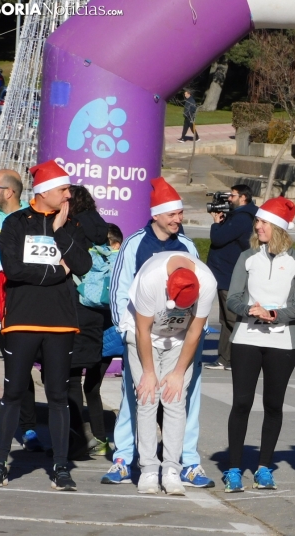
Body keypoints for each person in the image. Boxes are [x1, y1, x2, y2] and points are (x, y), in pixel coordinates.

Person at [102, 177, 214, 488]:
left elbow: (197, 298)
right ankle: (125, 457)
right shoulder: (136, 243)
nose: (178, 218)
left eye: (180, 213)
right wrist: (125, 330)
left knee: (183, 397)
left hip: (181, 335)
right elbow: (120, 289)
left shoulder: (188, 246)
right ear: (156, 215)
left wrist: (196, 335)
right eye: (172, 213)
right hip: (140, 330)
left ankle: (187, 461)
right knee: (138, 396)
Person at [0, 160, 92, 491]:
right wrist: (57, 273)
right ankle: (0, 464)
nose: (68, 195)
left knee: (58, 394)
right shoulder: (16, 223)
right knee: (14, 392)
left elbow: (84, 265)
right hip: (22, 320)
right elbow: (14, 270)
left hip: (60, 323)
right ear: (45, 192)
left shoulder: (69, 225)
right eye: (63, 190)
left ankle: (61, 468)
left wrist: (60, 232)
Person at [221, 197, 295, 492]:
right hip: (246, 339)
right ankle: (233, 469)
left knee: (273, 405)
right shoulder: (247, 257)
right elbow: (232, 298)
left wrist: (273, 314)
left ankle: (263, 468)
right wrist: (249, 310)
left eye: (264, 222)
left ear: (279, 228)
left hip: (282, 343)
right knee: (242, 403)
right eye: (257, 222)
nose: (258, 226)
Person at [121, 251, 216, 494]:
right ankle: (149, 469)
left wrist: (178, 372)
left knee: (174, 398)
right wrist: (149, 373)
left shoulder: (207, 282)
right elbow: (143, 330)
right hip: (143, 335)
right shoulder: (151, 278)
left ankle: (172, 468)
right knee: (147, 396)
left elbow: (194, 332)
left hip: (179, 339)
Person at [0, 169, 44, 452]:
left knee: (19, 370)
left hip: (17, 306)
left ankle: (28, 426)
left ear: (9, 192)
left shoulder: (28, 220)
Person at [66, 185, 117, 458]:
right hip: (102, 315)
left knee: (71, 379)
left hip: (77, 310)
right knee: (93, 385)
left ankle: (76, 442)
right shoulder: (103, 231)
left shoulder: (72, 228)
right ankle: (99, 439)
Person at [205, 184, 258, 371]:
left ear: (243, 198)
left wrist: (215, 223)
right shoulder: (239, 216)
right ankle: (224, 359)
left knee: (233, 318)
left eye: (232, 196)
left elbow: (218, 238)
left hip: (230, 276)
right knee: (226, 320)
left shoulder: (243, 218)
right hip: (225, 275)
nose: (229, 199)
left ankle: (238, 359)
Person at [84, 223, 123, 456]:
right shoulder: (126, 262)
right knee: (92, 385)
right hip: (116, 333)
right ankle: (103, 439)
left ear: (116, 244)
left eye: (105, 243)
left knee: (91, 386)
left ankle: (101, 439)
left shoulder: (109, 262)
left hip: (107, 332)